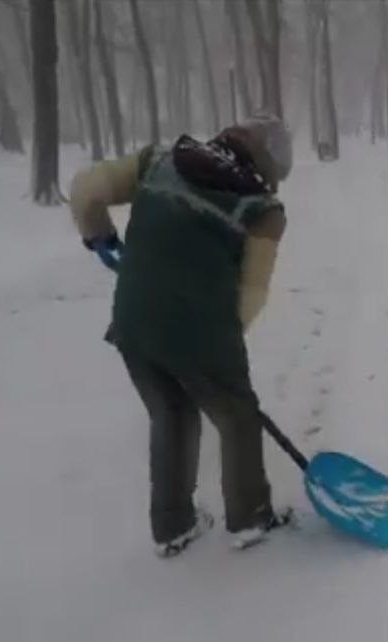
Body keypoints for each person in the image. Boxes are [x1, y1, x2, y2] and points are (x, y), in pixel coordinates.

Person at [68, 115, 294, 557]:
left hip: (133, 321)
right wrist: (219, 350)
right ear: (266, 168)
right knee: (238, 418)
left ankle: (173, 526)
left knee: (171, 415)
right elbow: (251, 294)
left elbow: (85, 189)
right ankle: (250, 517)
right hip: (201, 330)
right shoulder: (262, 211)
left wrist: (98, 234)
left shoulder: (160, 161)